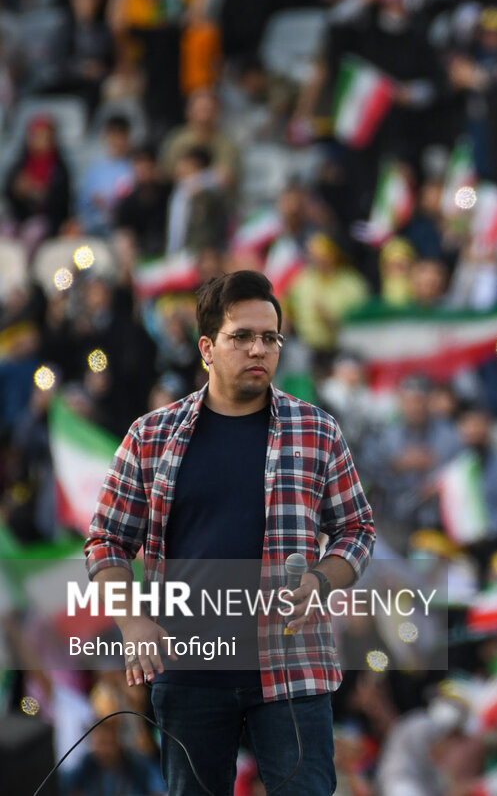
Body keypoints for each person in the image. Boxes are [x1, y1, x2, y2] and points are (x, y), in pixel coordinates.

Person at [84, 270, 377, 795]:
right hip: (188, 668)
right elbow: (107, 540)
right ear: (207, 348)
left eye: (269, 337)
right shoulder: (150, 436)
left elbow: (356, 528)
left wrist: (320, 581)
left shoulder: (318, 431)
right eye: (241, 336)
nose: (258, 349)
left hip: (293, 664)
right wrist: (131, 621)